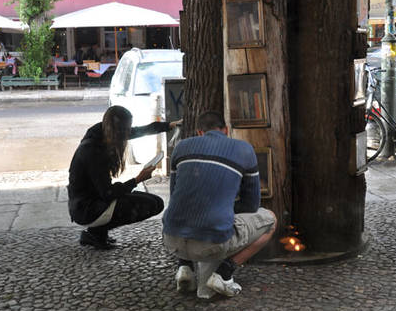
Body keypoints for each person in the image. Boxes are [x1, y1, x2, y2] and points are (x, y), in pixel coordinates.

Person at [162, 111, 276, 298]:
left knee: (186, 210)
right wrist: (226, 207)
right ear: (226, 130)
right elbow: (251, 204)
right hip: (211, 242)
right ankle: (224, 273)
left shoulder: (181, 147)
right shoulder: (244, 149)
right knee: (271, 220)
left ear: (199, 132)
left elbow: (175, 195)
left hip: (171, 239)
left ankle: (185, 267)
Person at [67, 105, 178, 250]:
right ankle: (96, 232)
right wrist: (138, 179)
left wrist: (169, 125)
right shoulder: (92, 151)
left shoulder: (103, 132)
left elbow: (140, 131)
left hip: (92, 202)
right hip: (86, 209)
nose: (128, 133)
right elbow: (108, 193)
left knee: (154, 201)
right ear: (118, 130)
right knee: (151, 205)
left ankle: (96, 232)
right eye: (126, 130)